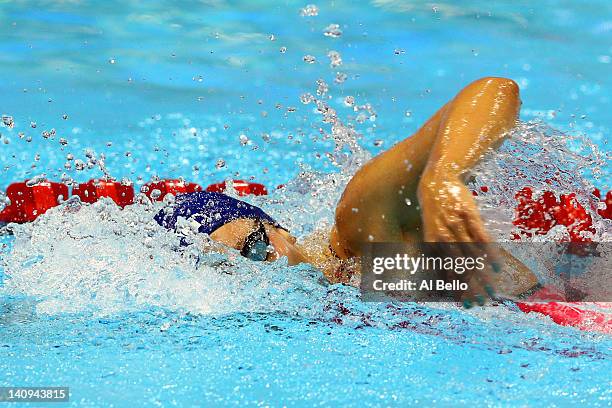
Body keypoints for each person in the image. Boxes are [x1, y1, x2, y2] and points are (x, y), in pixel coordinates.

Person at [155, 77, 539, 307]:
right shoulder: (344, 294)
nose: (263, 274)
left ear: (278, 229)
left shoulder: (360, 230)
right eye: (229, 277)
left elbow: (494, 91)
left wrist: (443, 175)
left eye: (254, 251)